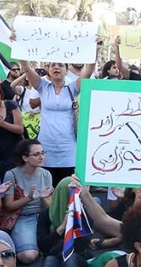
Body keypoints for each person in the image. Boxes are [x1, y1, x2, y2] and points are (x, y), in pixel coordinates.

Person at [22, 57, 94, 185]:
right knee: (47, 189)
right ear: (48, 69)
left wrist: (95, 49)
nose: (56, 67)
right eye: (53, 65)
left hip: (68, 148)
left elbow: (88, 71)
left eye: (60, 65)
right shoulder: (42, 86)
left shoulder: (72, 87)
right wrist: (19, 46)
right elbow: (26, 68)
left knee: (68, 188)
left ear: (66, 70)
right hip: (46, 147)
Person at [2, 139, 54, 266]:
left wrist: (43, 198)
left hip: (43, 215)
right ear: (25, 158)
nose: (41, 157)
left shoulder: (46, 174)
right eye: (36, 154)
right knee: (28, 256)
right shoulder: (11, 175)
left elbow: (51, 208)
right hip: (24, 217)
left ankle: (37, 244)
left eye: (43, 153)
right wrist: (28, 198)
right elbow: (8, 206)